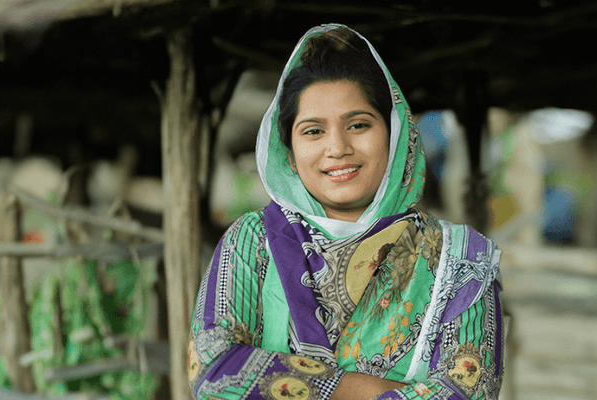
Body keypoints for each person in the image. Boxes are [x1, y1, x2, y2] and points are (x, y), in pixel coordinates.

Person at [188, 24, 503, 400]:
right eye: (312, 131)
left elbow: (468, 391)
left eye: (358, 125)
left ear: (394, 133)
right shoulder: (252, 241)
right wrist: (382, 390)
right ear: (288, 150)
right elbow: (214, 369)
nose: (337, 148)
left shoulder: (459, 259)